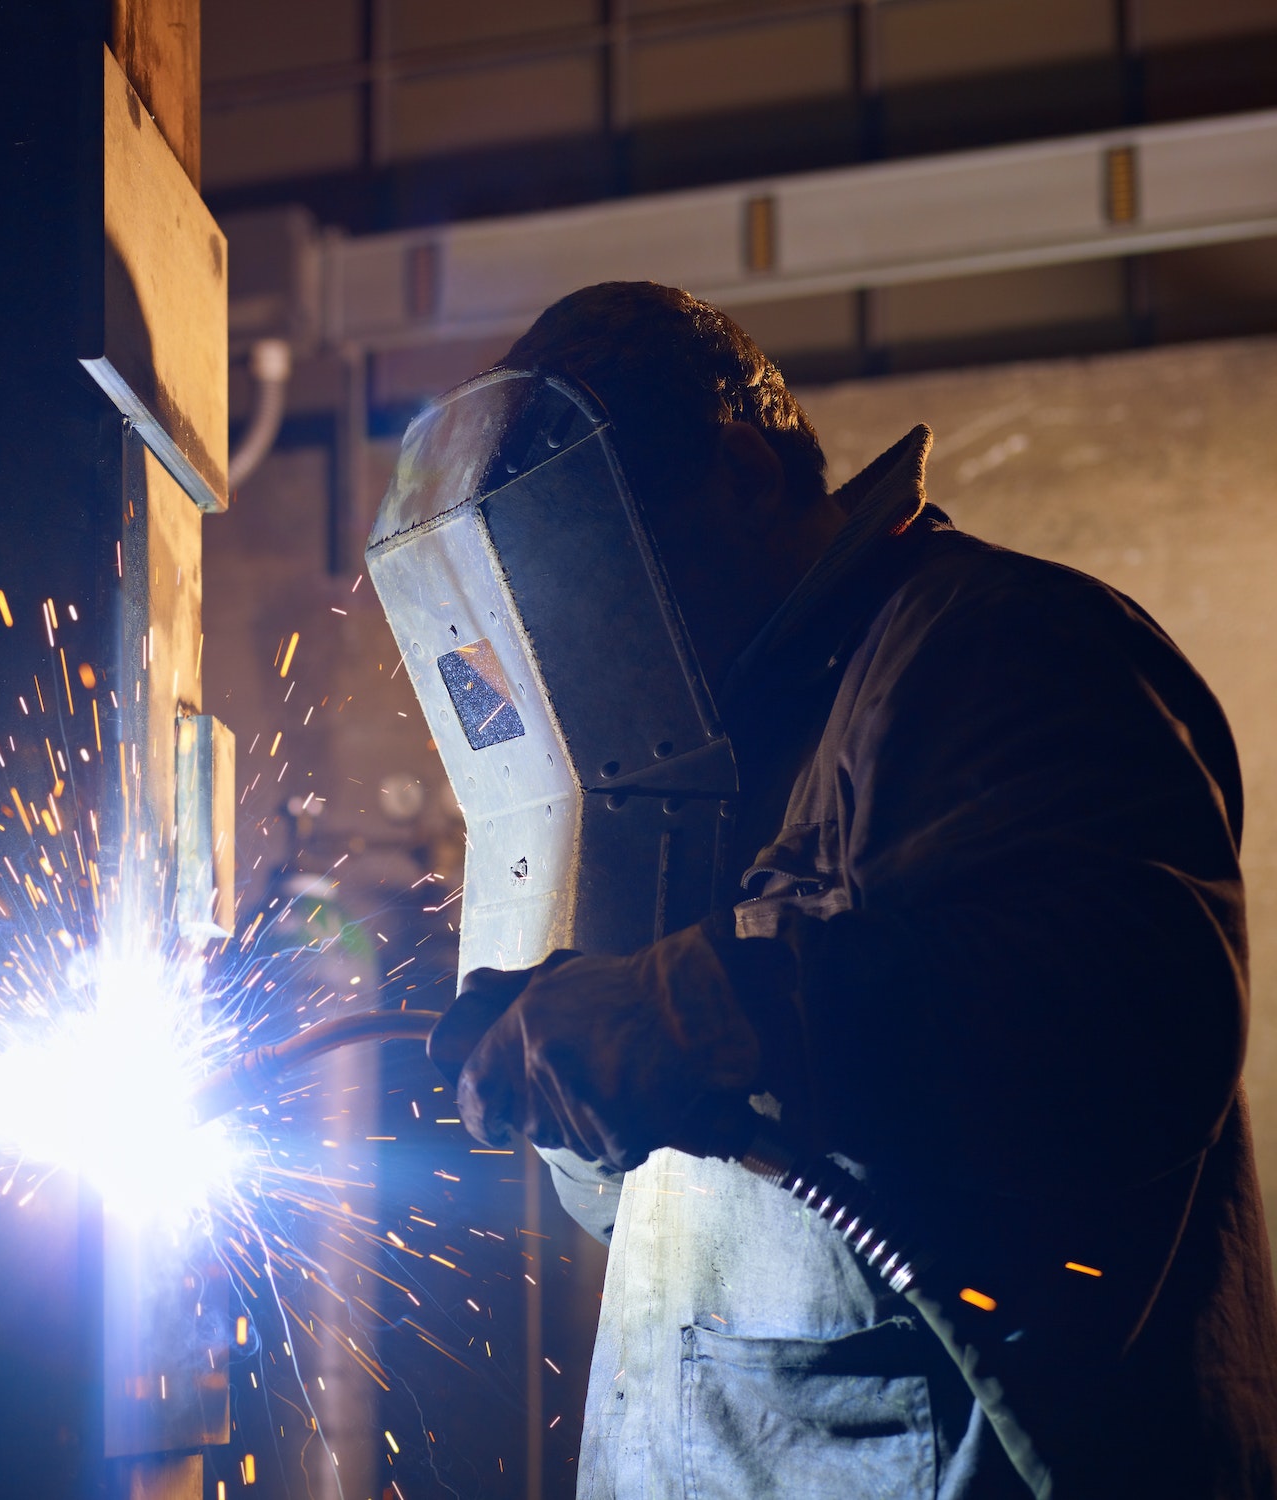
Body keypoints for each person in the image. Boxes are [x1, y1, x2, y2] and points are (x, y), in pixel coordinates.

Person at [443, 283, 1277, 1496]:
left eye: (595, 572)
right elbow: (680, 1204)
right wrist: (569, 1080)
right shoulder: (705, 759)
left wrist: (689, 1015)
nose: (579, 639)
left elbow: (1128, 1019)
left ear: (738, 476)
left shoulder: (997, 643)